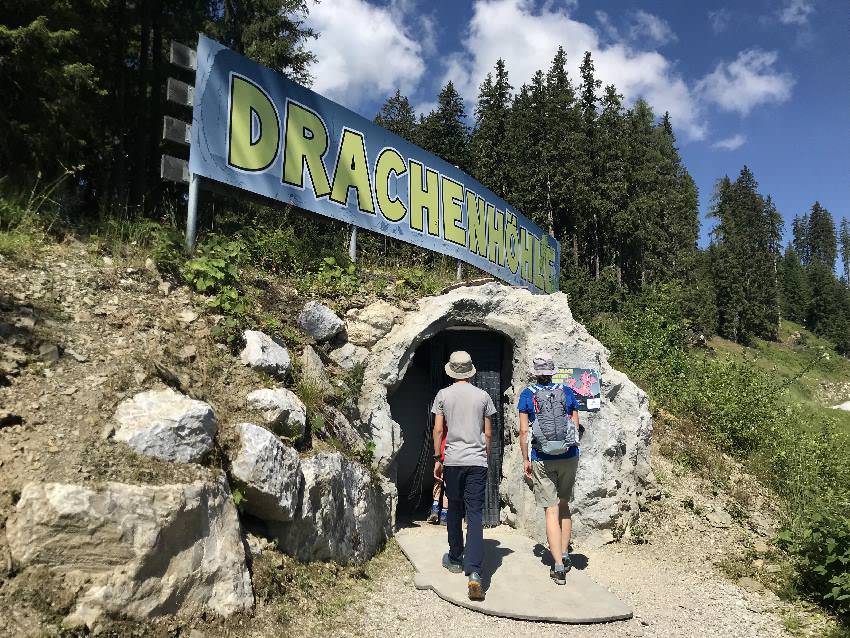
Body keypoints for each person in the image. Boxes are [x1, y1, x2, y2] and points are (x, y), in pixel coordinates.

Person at [432, 350, 495, 601]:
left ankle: (456, 558)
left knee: (455, 510)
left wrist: (438, 459)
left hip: (453, 461)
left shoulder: (443, 395)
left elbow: (438, 429)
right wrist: (485, 458)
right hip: (476, 461)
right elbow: (488, 433)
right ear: (470, 370)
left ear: (451, 370)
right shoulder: (483, 396)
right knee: (476, 515)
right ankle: (475, 573)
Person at [518, 352, 582, 586]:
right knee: (564, 505)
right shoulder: (567, 392)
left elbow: (524, 432)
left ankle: (557, 567)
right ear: (553, 371)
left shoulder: (527, 395)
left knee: (550, 511)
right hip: (569, 456)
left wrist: (526, 459)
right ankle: (565, 555)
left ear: (536, 372)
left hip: (542, 457)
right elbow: (575, 425)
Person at [427, 423, 449, 524]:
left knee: (438, 480)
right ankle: (444, 514)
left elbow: (437, 432)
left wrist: (437, 457)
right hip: (452, 455)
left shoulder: (441, 421)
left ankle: (435, 507)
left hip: (440, 454)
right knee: (448, 485)